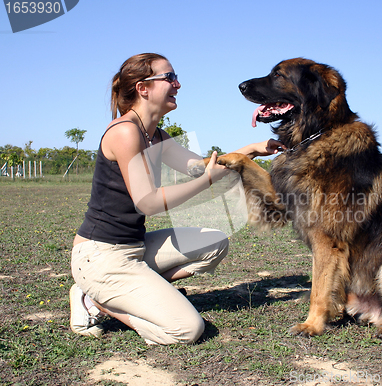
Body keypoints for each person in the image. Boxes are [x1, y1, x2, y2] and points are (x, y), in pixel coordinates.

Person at [70, 53, 285, 345]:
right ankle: (97, 301)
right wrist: (205, 181)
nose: (178, 84)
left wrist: (253, 149)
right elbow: (147, 202)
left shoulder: (157, 136)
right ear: (143, 88)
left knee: (214, 242)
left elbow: (202, 167)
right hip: (101, 255)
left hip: (135, 248)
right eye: (169, 77)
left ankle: (124, 293)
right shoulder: (124, 132)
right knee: (186, 330)